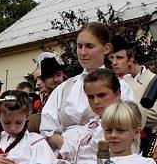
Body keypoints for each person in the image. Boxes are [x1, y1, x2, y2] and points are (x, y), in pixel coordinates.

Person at [40, 23, 134, 151]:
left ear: (106, 48)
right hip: (67, 157)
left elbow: (128, 128)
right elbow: (48, 129)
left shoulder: (121, 87)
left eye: (89, 46)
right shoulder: (64, 88)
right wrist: (67, 148)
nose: (83, 52)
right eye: (79, 46)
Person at [58, 69, 122, 164]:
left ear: (117, 94)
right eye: (91, 97)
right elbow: (70, 163)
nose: (96, 102)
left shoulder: (121, 128)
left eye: (101, 95)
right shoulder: (85, 129)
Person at [109, 35, 157, 132]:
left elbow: (155, 117)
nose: (114, 63)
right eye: (111, 58)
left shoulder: (153, 79)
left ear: (130, 59)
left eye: (119, 57)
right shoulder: (115, 82)